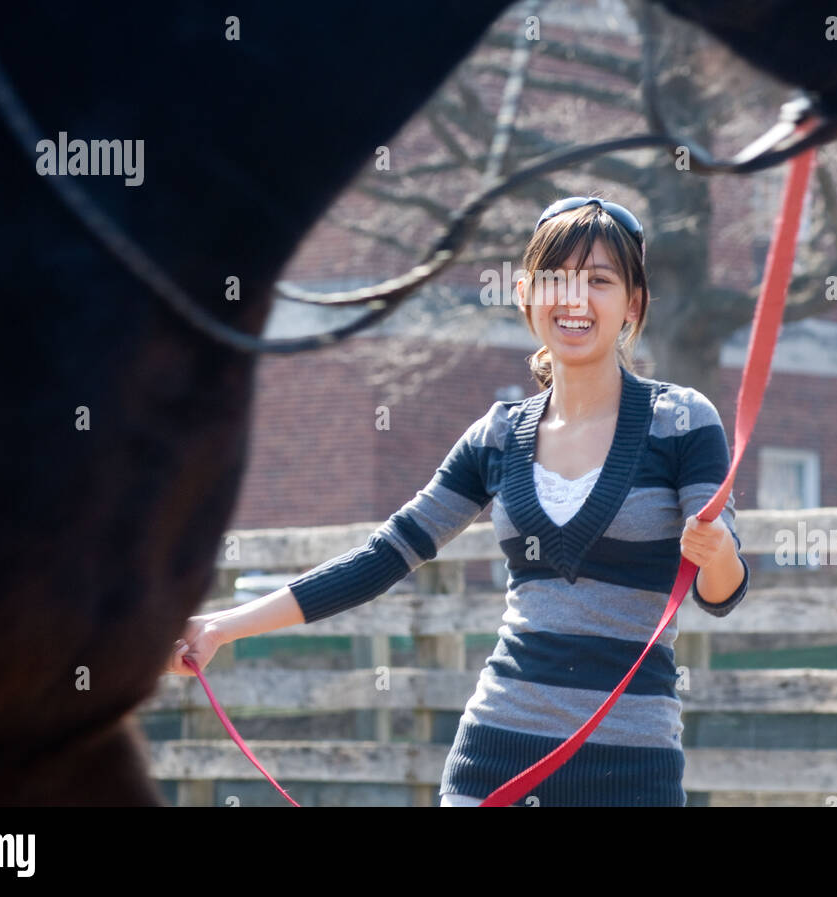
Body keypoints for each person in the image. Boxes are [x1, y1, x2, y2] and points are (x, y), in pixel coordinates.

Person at [165, 193, 750, 806]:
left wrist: (713, 552)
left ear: (633, 303)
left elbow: (722, 593)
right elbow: (383, 557)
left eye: (600, 281)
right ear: (527, 293)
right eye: (556, 280)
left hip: (632, 774)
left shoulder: (682, 419)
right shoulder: (497, 437)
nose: (575, 300)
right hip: (494, 759)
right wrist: (218, 628)